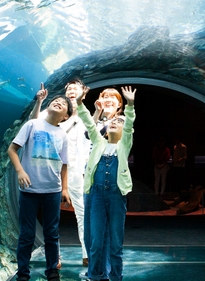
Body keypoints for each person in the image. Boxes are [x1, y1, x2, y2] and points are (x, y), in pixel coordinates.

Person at [8, 95, 72, 281]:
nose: (59, 102)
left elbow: (65, 163)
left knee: (51, 233)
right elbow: (12, 149)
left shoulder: (63, 135)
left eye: (63, 104)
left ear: (66, 116)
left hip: (53, 190)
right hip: (29, 190)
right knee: (26, 234)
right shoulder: (32, 125)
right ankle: (23, 273)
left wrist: (65, 189)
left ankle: (52, 270)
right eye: (56, 100)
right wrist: (20, 171)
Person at [76, 86, 136, 281]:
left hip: (116, 194)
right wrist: (78, 103)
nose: (115, 123)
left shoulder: (124, 145)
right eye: (114, 122)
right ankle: (95, 275)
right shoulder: (99, 142)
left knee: (116, 241)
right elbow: (88, 124)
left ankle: (116, 276)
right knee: (95, 241)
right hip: (96, 194)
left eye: (119, 122)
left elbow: (128, 125)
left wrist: (130, 105)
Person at [30, 80, 91, 267]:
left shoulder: (86, 115)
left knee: (83, 213)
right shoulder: (54, 111)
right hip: (52, 169)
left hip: (76, 172)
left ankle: (87, 254)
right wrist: (39, 102)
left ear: (84, 92)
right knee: (51, 215)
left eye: (76, 88)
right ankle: (54, 256)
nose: (72, 91)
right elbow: (32, 122)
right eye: (69, 88)